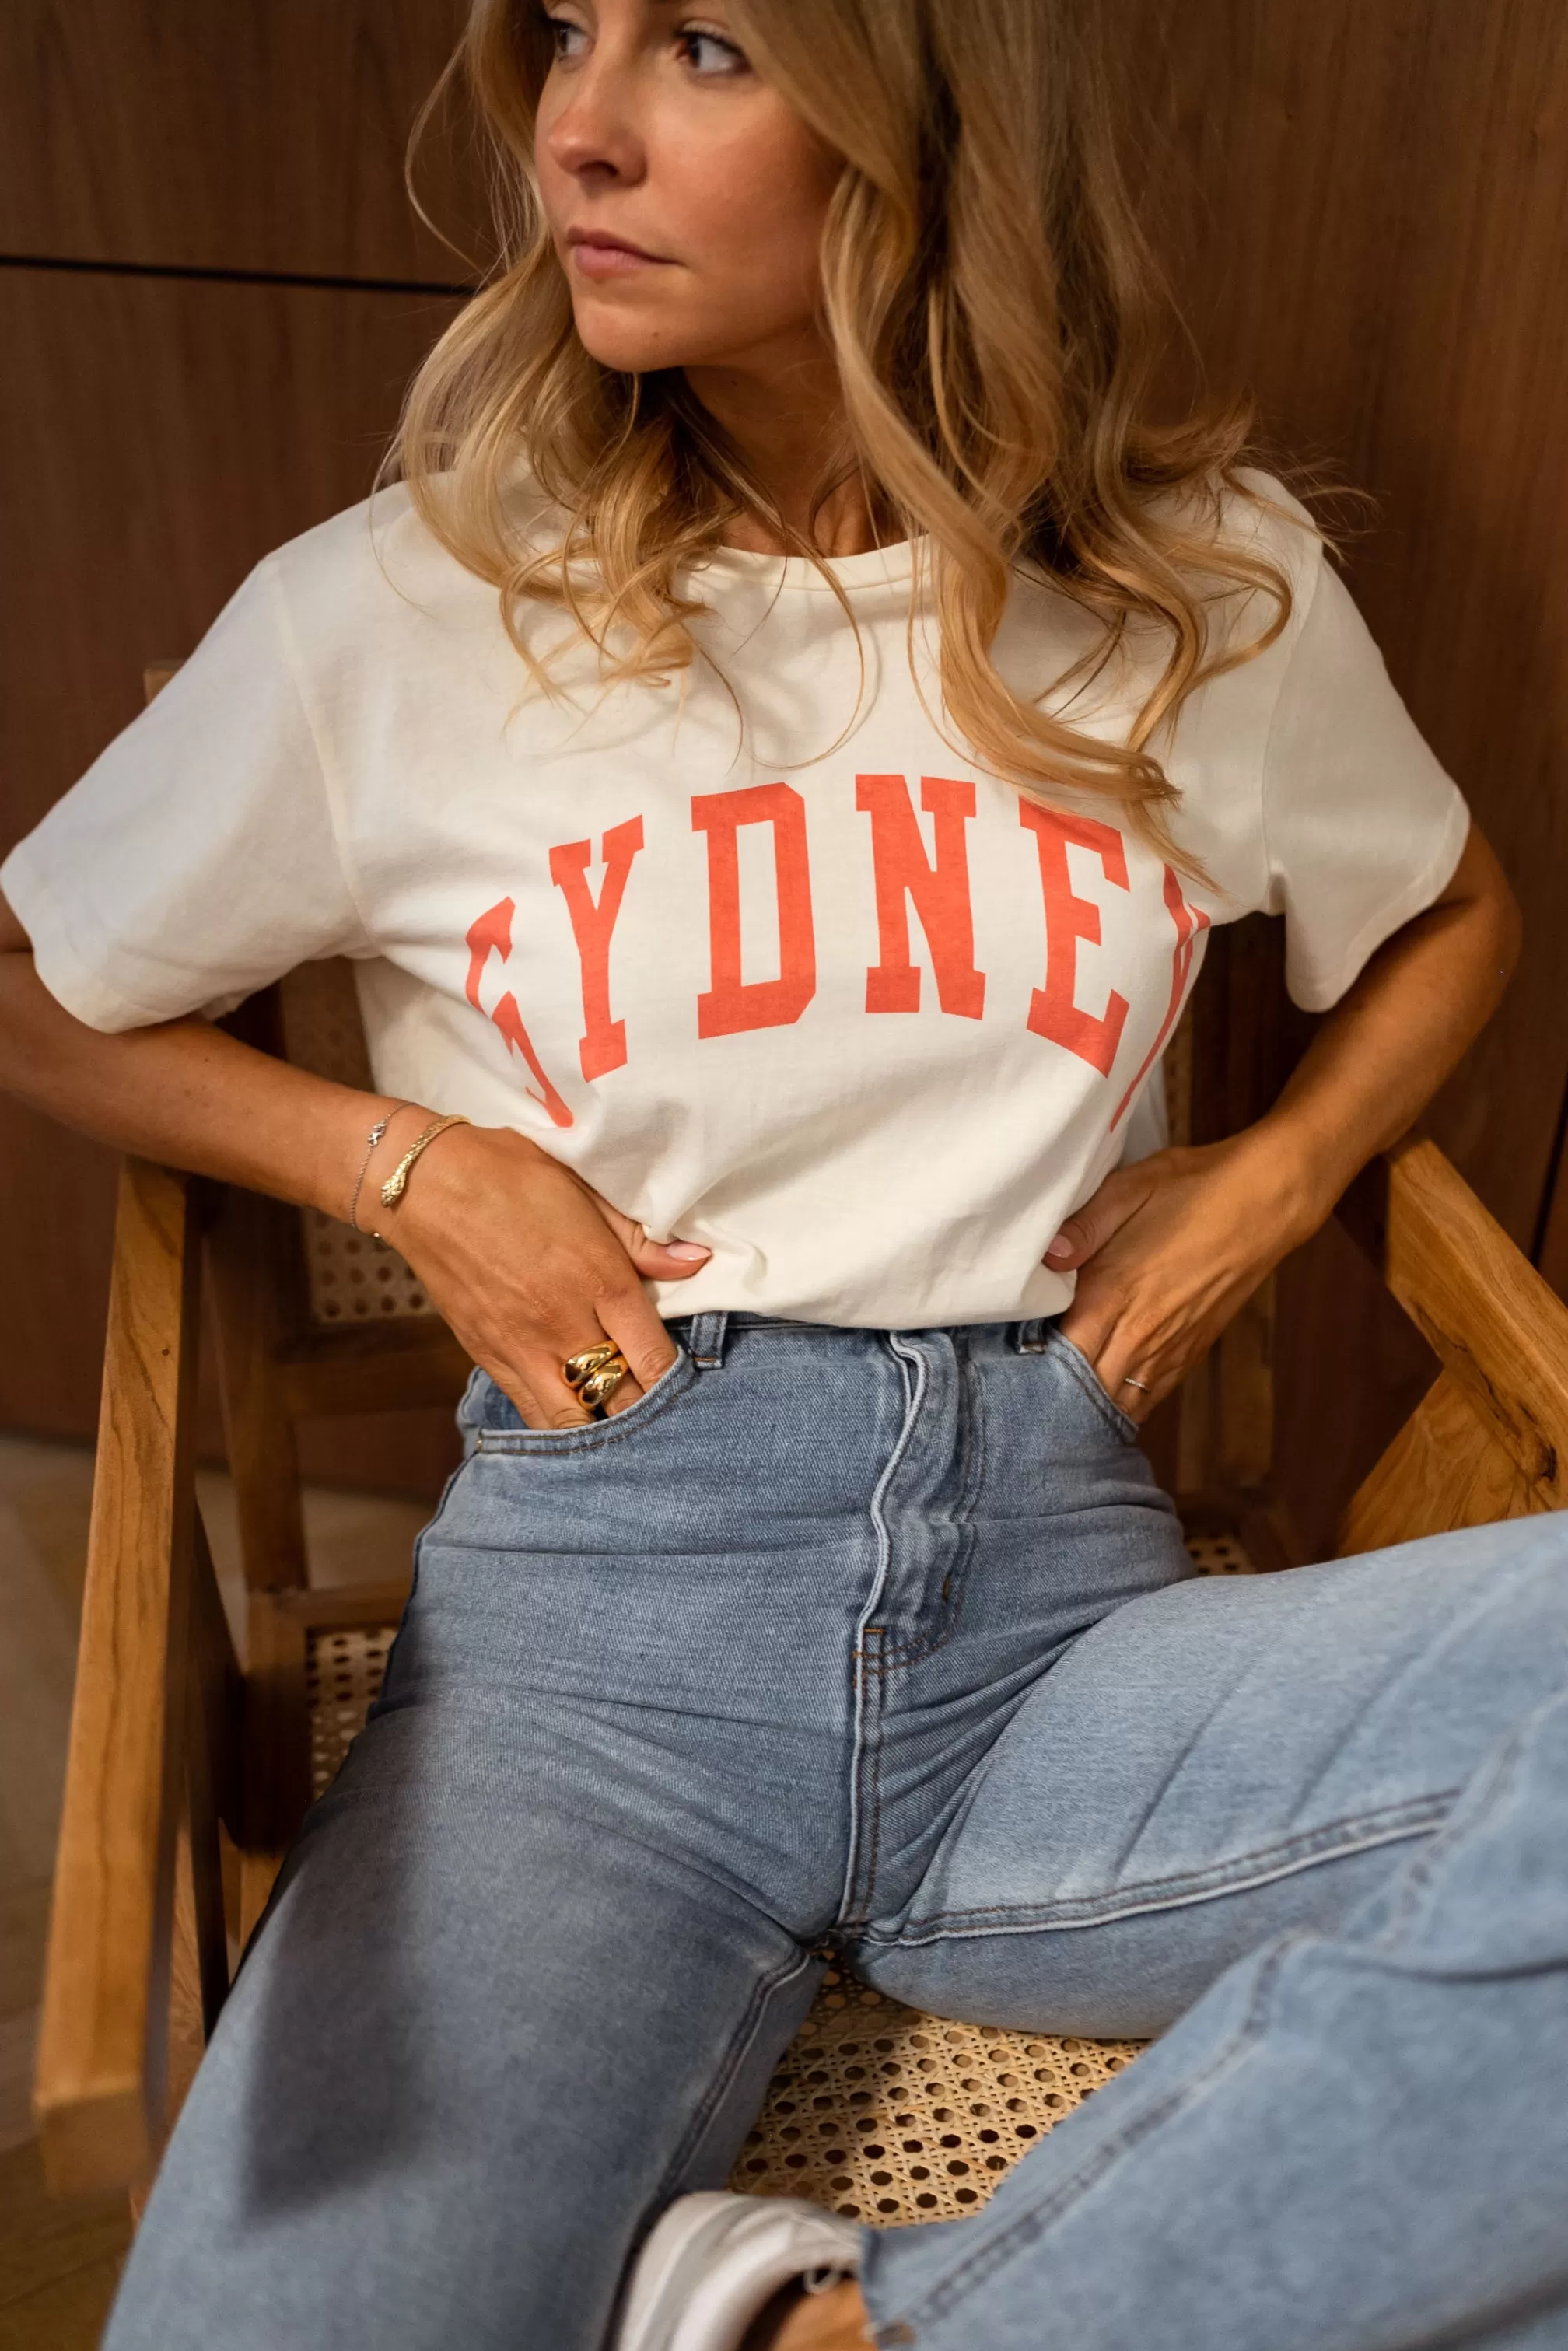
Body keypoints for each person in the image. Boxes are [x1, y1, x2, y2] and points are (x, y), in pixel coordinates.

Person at [2, 0, 1563, 2344]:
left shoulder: (1195, 580)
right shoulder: (404, 607)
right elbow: (36, 980)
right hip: (593, 1651)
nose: (581, 124)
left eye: (707, 46)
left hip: (1062, 1626)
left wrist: (1283, 1167)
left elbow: (1448, 910)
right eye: (570, 32)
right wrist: (405, 1161)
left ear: (926, 128)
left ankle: (849, 2320)